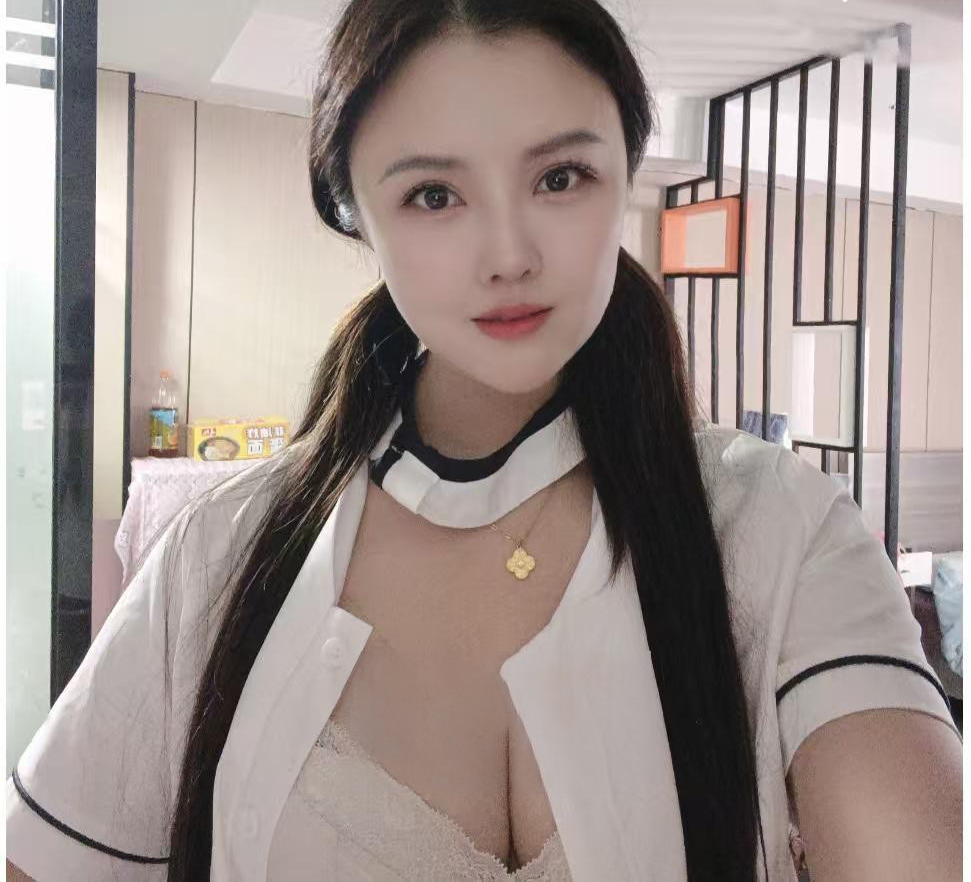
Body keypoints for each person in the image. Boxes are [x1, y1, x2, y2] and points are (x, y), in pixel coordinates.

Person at [6, 0, 963, 879]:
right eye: (433, 195)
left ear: (624, 175)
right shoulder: (221, 550)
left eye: (560, 177)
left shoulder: (781, 526)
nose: (509, 255)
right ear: (353, 212)